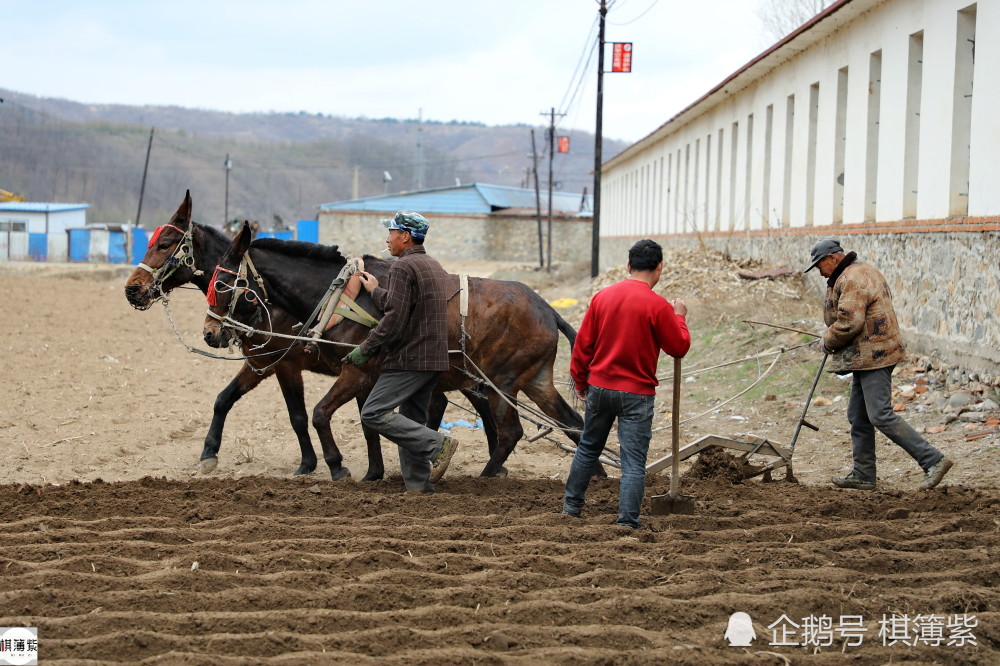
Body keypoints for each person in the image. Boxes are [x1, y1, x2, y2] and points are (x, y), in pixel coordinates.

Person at [804, 238, 953, 491]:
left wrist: (827, 340)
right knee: (858, 416)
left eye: (820, 266)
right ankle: (863, 474)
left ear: (832, 258)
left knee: (880, 415)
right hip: (867, 354)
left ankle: (933, 460)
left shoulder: (853, 278)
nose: (820, 273)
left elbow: (849, 322)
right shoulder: (854, 272)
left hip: (876, 355)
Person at [562, 239, 691, 529]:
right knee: (633, 462)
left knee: (588, 448)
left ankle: (571, 508)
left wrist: (581, 381)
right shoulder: (659, 306)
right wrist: (680, 317)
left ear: (628, 266)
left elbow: (583, 345)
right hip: (637, 395)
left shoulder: (602, 297)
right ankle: (627, 522)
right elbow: (679, 347)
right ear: (659, 268)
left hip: (600, 388)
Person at [342, 211, 459, 493]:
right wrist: (375, 291)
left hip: (410, 357)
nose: (387, 239)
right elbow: (403, 306)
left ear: (405, 237)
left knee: (373, 412)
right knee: (411, 422)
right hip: (433, 357)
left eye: (391, 233)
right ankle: (419, 487)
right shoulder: (431, 265)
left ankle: (437, 445)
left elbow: (394, 318)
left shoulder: (403, 267)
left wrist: (366, 348)